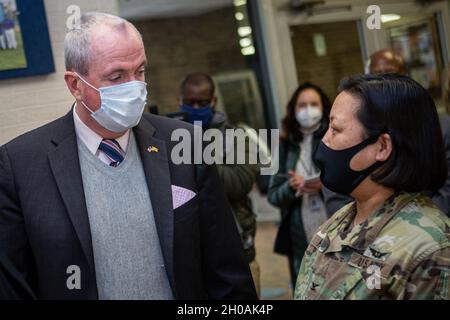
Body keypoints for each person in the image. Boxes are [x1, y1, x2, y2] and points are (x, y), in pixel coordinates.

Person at [0, 12, 257, 300]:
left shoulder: (185, 145)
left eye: (140, 71)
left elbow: (226, 268)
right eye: (117, 76)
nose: (135, 87)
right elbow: (14, 286)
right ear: (76, 85)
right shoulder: (20, 165)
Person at [295, 74, 450, 300]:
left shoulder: (430, 250)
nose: (325, 140)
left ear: (382, 146)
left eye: (336, 130)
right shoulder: (340, 220)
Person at [323, 48, 450, 215]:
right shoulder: (356, 126)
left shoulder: (441, 126)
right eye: (377, 75)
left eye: (391, 74)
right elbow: (337, 191)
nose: (384, 81)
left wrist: (409, 226)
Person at [178, 72, 261, 296]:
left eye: (202, 102)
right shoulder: (171, 137)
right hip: (192, 256)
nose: (195, 107)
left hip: (236, 253)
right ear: (180, 101)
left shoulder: (237, 137)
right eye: (190, 102)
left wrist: (197, 153)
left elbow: (238, 183)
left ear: (213, 102)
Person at [267, 82, 332, 288]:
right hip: (300, 239)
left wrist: (325, 184)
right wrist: (291, 186)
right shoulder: (284, 144)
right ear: (293, 110)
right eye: (302, 105)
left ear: (323, 108)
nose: (308, 110)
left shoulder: (335, 138)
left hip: (335, 227)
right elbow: (273, 195)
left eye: (314, 104)